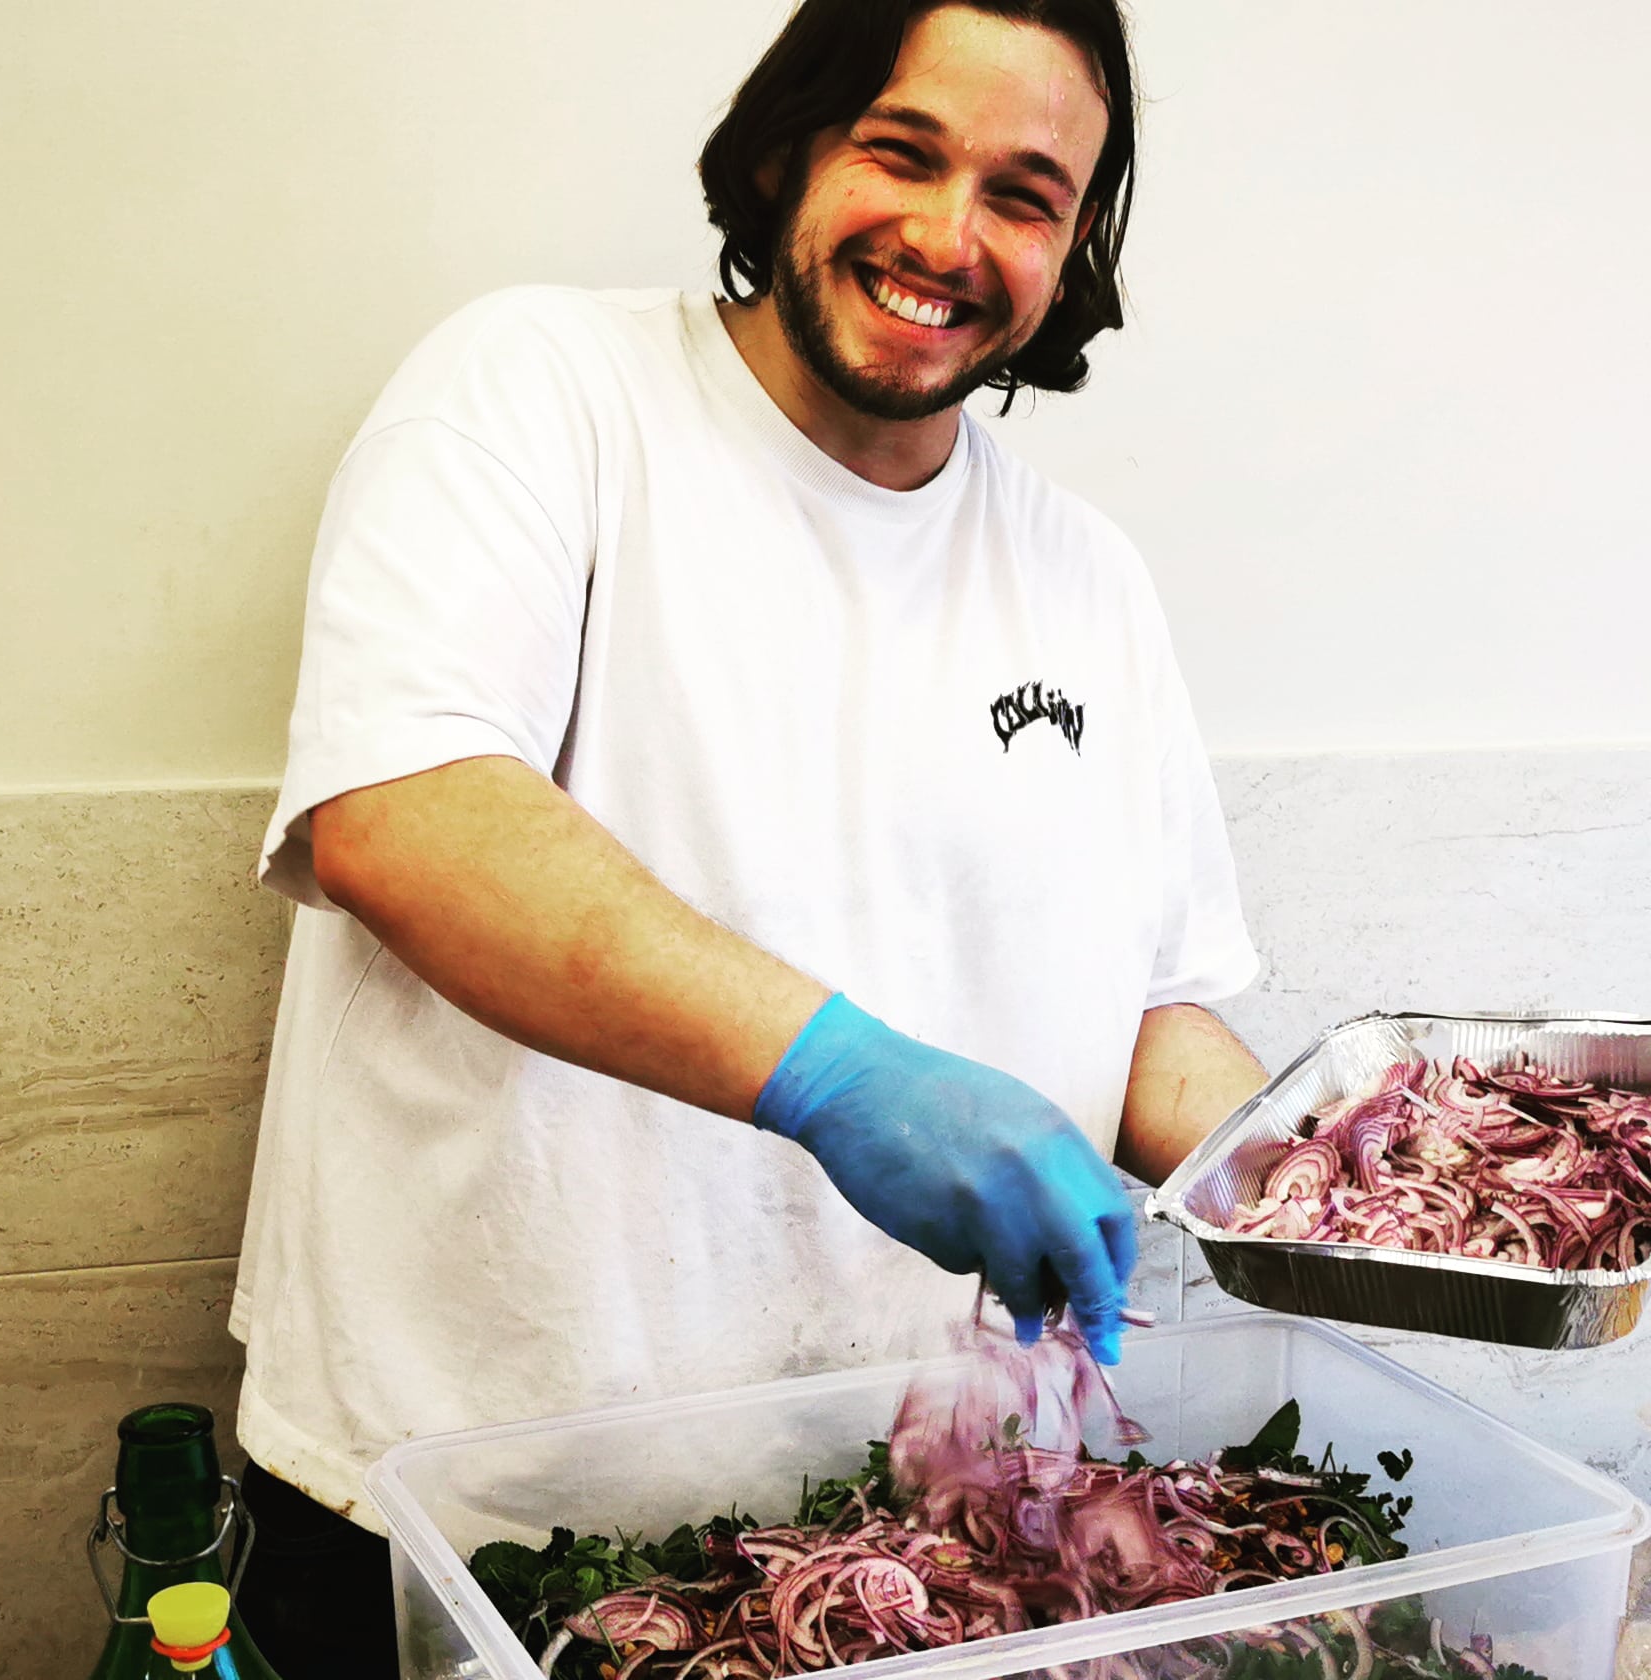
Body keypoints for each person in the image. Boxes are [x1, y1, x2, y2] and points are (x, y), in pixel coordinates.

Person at [230, 0, 1269, 1672]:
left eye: (1023, 194)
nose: (947, 236)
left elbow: (1146, 1004)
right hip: (471, 1534)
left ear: (1075, 245)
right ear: (789, 145)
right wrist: (844, 1079)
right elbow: (403, 815)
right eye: (902, 151)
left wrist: (1350, 1189)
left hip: (899, 1559)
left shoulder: (1087, 577)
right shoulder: (540, 391)